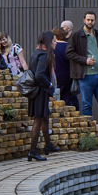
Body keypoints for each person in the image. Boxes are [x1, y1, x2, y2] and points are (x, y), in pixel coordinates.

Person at [66, 11, 98, 136]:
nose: (90, 22)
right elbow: (69, 53)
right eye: (88, 20)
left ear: (95, 21)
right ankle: (88, 131)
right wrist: (84, 60)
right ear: (84, 20)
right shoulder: (77, 35)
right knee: (86, 104)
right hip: (85, 75)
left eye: (92, 20)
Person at [26, 31, 59, 161]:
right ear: (48, 42)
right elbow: (39, 74)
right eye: (54, 41)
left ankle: (48, 145)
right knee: (38, 119)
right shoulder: (44, 55)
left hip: (37, 91)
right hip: (40, 91)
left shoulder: (36, 53)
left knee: (44, 116)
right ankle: (32, 151)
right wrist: (50, 84)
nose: (55, 43)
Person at [52, 26, 78, 110]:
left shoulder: (53, 48)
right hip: (68, 77)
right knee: (67, 100)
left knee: (55, 100)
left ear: (55, 36)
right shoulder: (70, 47)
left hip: (55, 76)